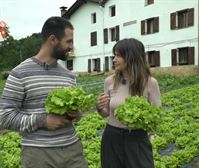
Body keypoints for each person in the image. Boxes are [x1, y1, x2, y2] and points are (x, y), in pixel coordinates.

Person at [0, 16, 88, 168]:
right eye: (68, 41)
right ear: (53, 39)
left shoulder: (68, 75)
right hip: (39, 154)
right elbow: (4, 117)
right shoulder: (20, 73)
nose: (72, 47)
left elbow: (78, 115)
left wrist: (76, 113)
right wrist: (43, 121)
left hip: (72, 149)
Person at [96, 38, 161, 168]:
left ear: (131, 57)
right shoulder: (109, 81)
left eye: (118, 56)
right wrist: (99, 107)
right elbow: (106, 113)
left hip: (137, 139)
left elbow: (156, 116)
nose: (114, 59)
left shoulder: (150, 82)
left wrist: (140, 119)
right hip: (112, 137)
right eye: (114, 55)